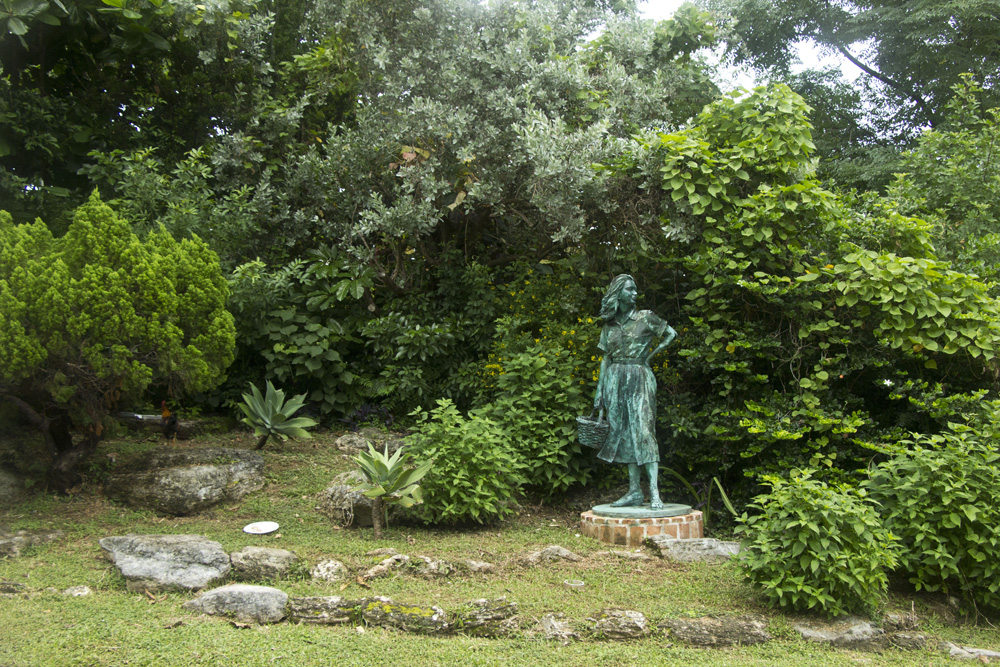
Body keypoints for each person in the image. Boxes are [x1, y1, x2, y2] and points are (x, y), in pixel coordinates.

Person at [593, 275, 676, 509]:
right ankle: (634, 491)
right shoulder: (609, 326)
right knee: (624, 434)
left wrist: (649, 356)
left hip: (639, 377)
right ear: (618, 294)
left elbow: (671, 334)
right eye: (630, 290)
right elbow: (605, 358)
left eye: (635, 290)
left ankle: (654, 492)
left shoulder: (645, 317)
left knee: (644, 430)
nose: (635, 294)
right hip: (615, 380)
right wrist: (599, 392)